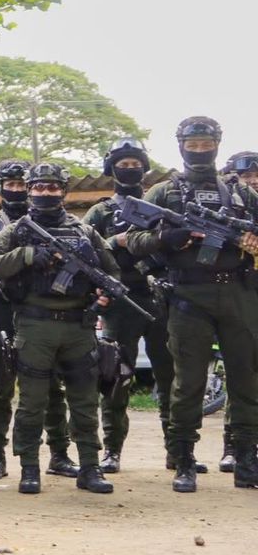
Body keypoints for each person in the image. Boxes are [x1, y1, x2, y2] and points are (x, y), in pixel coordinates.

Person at [125, 117, 258, 492]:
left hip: (239, 294)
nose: (200, 150)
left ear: (217, 143)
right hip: (187, 296)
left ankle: (246, 456)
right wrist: (168, 237)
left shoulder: (241, 194)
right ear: (181, 145)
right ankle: (183, 457)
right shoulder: (164, 192)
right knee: (188, 382)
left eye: (206, 144)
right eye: (193, 144)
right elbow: (132, 240)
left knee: (247, 377)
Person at [0, 162, 118, 495]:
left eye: (52, 187)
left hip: (78, 326)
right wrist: (28, 254)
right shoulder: (14, 231)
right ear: (29, 191)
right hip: (34, 325)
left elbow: (111, 272)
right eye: (39, 188)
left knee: (84, 401)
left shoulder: (85, 231)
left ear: (63, 191)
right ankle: (29, 469)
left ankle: (90, 467)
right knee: (32, 402)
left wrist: (105, 297)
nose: (46, 193)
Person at [0, 159, 74, 482]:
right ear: (0, 187)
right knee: (1, 387)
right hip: (4, 311)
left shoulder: (54, 221)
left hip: (42, 312)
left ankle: (59, 453)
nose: (16, 190)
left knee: (52, 387)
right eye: (11, 185)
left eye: (22, 184)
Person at [85, 138, 177, 474]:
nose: (129, 168)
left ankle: (177, 450)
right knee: (115, 377)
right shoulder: (101, 211)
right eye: (122, 164)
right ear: (111, 169)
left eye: (135, 162)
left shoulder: (160, 205)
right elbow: (87, 254)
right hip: (120, 301)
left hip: (159, 299)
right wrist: (116, 241)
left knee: (169, 377)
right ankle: (112, 450)